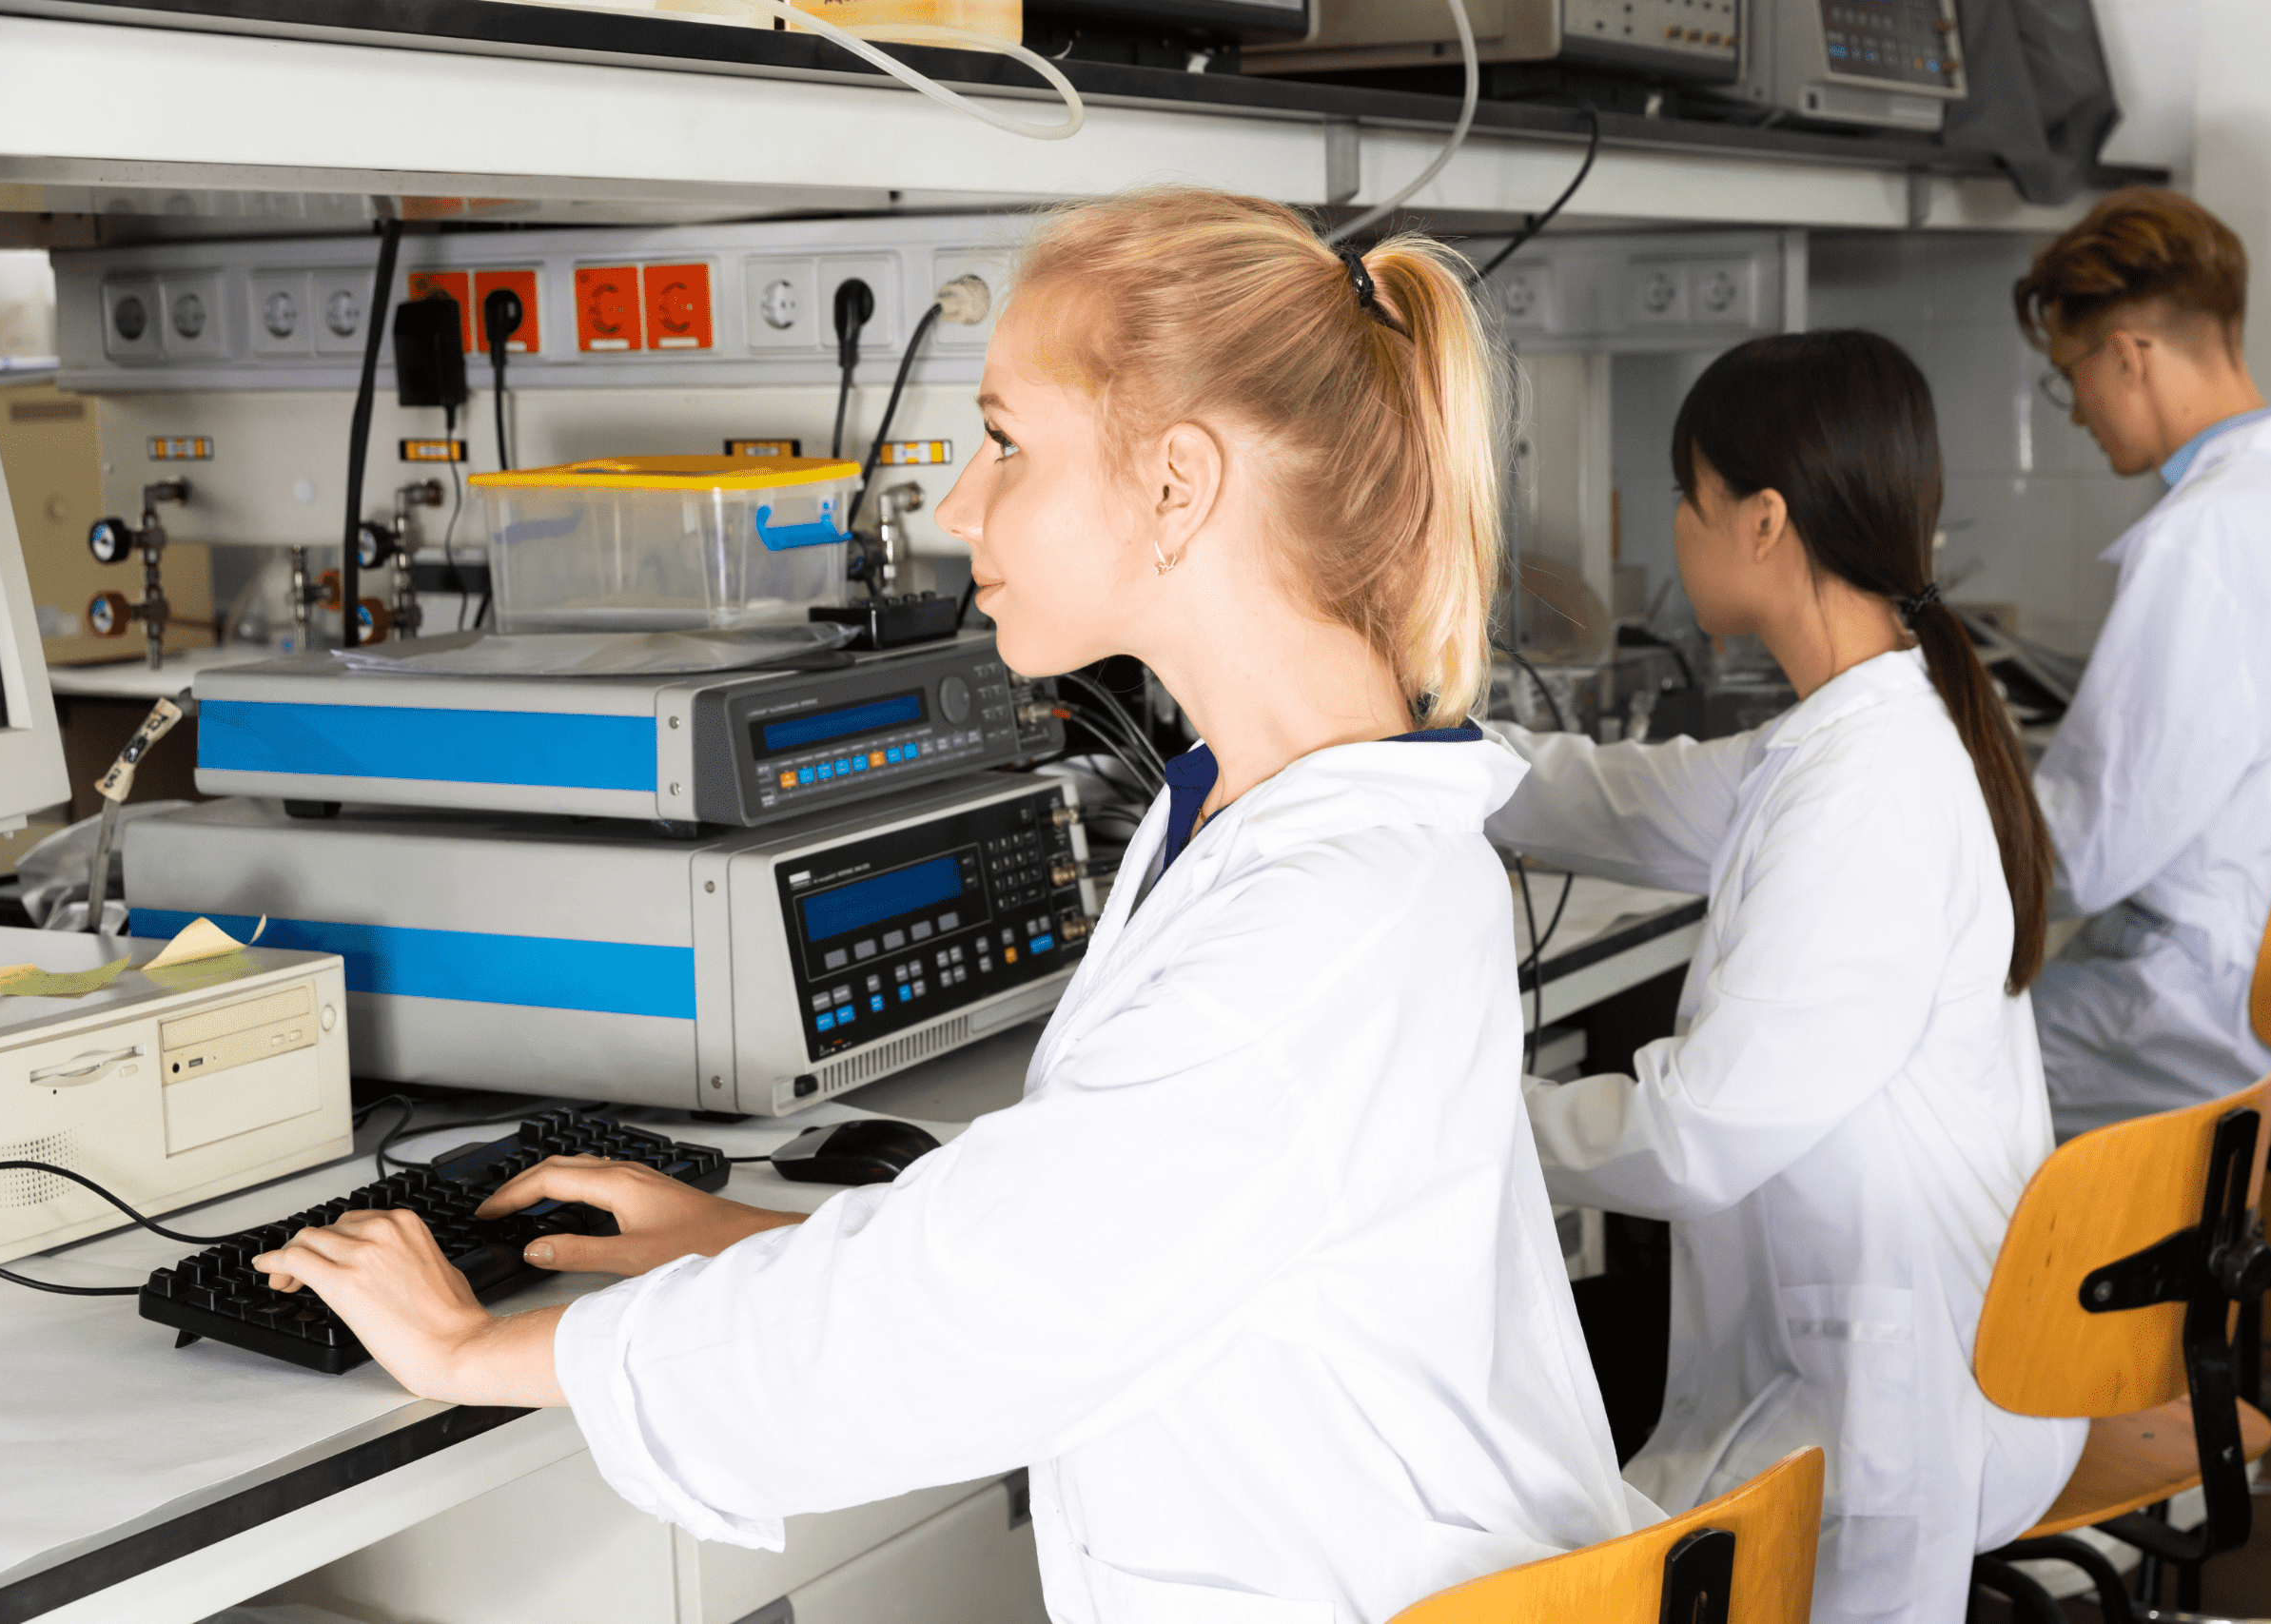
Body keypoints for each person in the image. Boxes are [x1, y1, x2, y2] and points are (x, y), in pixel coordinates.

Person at [253, 188, 1649, 1624]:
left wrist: (479, 1349)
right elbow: (1101, 1220)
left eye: (1005, 441)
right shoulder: (1254, 812)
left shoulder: (1323, 914)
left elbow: (988, 1317)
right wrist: (749, 1243)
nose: (959, 505)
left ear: (1177, 484)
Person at [1486, 332, 2084, 1624]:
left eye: (1686, 495)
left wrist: (1462, 1115)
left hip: (1897, 1406)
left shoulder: (1867, 789)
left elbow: (1692, 1136)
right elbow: (1628, 797)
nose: (1673, 523)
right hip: (1877, 1356)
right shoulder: (1855, 731)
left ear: (1762, 522)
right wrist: (1419, 753)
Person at [2012, 186, 2271, 1136]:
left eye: (2069, 375)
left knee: (1914, 1083)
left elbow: (2087, 849)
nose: (2076, 413)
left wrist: (1934, 849)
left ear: (2126, 356)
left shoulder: (2206, 535)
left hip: (2221, 1015)